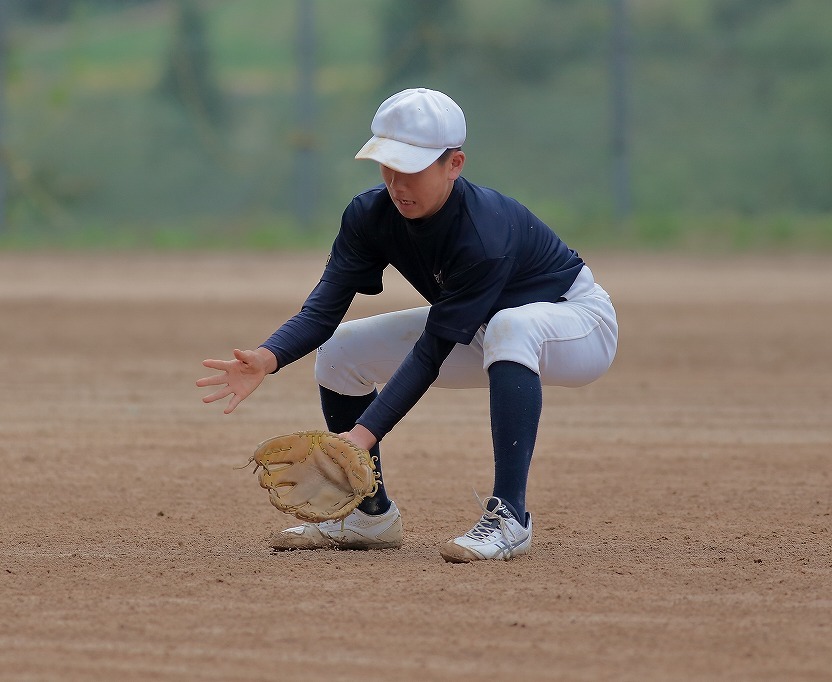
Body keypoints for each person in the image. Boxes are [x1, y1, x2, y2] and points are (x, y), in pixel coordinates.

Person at [196, 88, 618, 562]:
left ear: (454, 164)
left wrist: (360, 437)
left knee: (510, 325)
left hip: (577, 324)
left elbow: (432, 351)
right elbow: (324, 308)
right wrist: (269, 356)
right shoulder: (370, 214)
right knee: (341, 351)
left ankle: (510, 518)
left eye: (412, 169)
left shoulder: (483, 233)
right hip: (483, 326)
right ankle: (370, 516)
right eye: (387, 166)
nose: (397, 183)